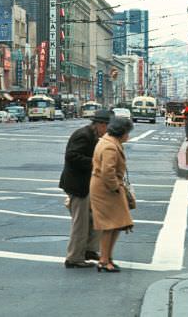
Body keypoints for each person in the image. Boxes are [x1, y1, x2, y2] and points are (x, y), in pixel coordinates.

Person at [59, 109, 110, 269]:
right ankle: (74, 257)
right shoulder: (83, 135)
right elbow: (72, 156)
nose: (108, 131)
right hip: (77, 185)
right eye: (108, 127)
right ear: (100, 125)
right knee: (80, 223)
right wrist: (96, 162)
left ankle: (89, 250)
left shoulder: (95, 136)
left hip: (87, 185)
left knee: (96, 218)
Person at [89, 116, 135, 273]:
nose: (128, 136)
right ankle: (104, 260)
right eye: (128, 132)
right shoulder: (110, 146)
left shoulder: (107, 141)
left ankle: (107, 257)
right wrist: (116, 187)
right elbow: (107, 171)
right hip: (106, 190)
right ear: (122, 132)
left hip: (105, 188)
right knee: (110, 225)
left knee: (115, 224)